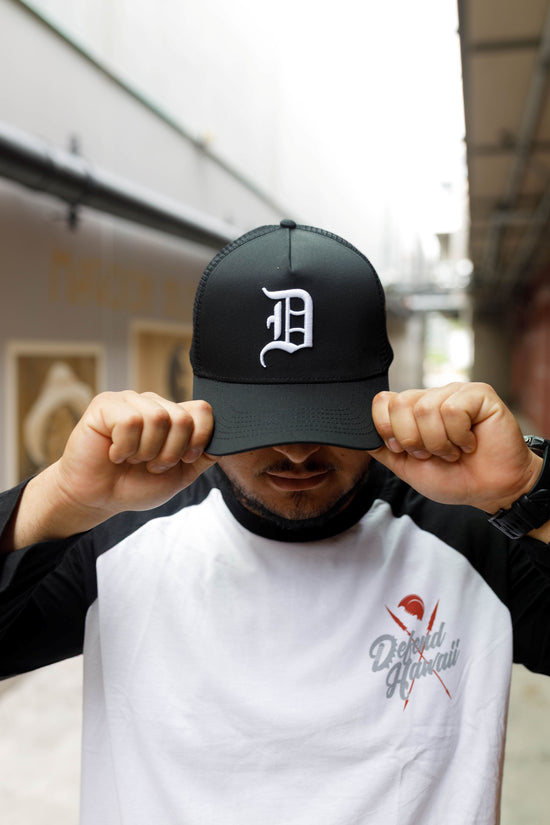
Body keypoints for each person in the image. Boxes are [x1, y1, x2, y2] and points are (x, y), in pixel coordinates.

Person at [1, 220, 550, 825]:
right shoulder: (120, 537)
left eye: (325, 419)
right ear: (202, 403)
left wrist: (528, 491)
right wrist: (58, 498)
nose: (295, 452)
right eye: (262, 422)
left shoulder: (470, 535)